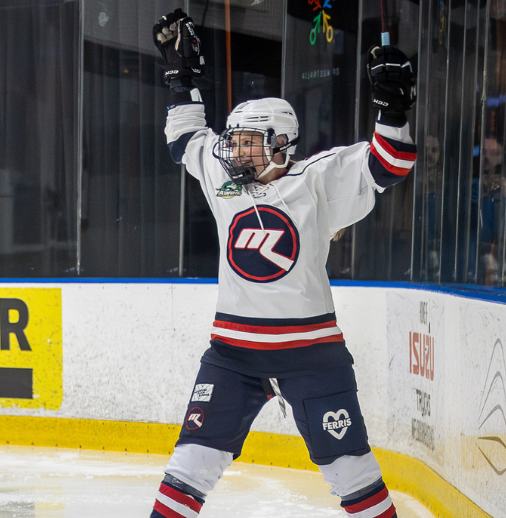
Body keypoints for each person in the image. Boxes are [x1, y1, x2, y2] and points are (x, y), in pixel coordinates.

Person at [148, 10, 416, 518]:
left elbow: (389, 164)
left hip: (312, 355)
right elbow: (186, 140)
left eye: (248, 139)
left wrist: (393, 110)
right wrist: (181, 78)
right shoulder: (224, 179)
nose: (234, 148)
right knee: (189, 466)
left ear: (279, 142)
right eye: (235, 139)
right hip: (232, 354)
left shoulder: (318, 180)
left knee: (351, 473)